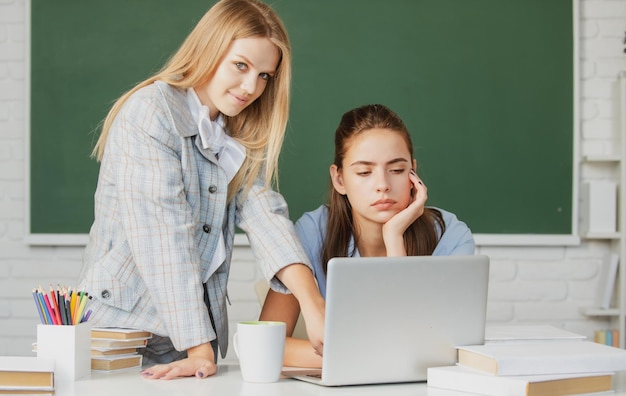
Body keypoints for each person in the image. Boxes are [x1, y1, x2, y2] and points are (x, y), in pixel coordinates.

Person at [77, 0, 325, 380]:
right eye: (240, 66)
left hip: (191, 338)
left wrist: (314, 306)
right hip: (122, 333)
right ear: (210, 47)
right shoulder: (151, 113)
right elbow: (163, 240)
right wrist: (199, 348)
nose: (250, 87)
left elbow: (266, 218)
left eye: (264, 76)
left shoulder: (234, 133)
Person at [259, 104, 475, 368]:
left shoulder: (450, 236)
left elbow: (442, 348)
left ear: (413, 173)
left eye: (396, 170)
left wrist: (394, 237)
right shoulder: (313, 232)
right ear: (339, 180)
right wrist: (371, 357)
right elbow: (266, 343)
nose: (383, 184)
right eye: (364, 172)